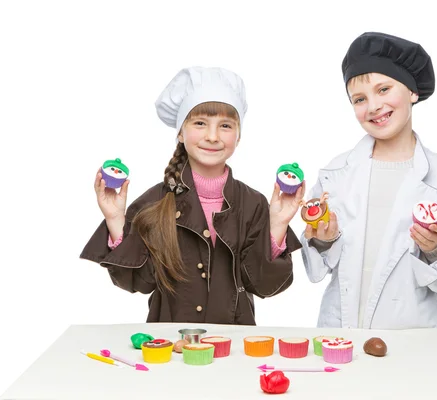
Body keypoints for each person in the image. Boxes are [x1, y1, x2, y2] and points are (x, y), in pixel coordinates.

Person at [81, 66, 304, 324]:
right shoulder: (155, 201)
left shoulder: (253, 203)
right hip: (168, 347)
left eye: (225, 126)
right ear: (180, 131)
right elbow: (138, 282)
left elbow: (264, 285)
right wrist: (116, 220)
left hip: (234, 349)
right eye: (200, 123)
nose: (212, 136)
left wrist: (277, 223)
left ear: (239, 136)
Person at [301, 32, 437, 329]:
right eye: (359, 99)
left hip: (414, 338)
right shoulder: (335, 174)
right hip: (341, 333)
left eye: (384, 89)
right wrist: (322, 240)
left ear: (413, 92)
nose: (373, 106)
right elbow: (317, 263)